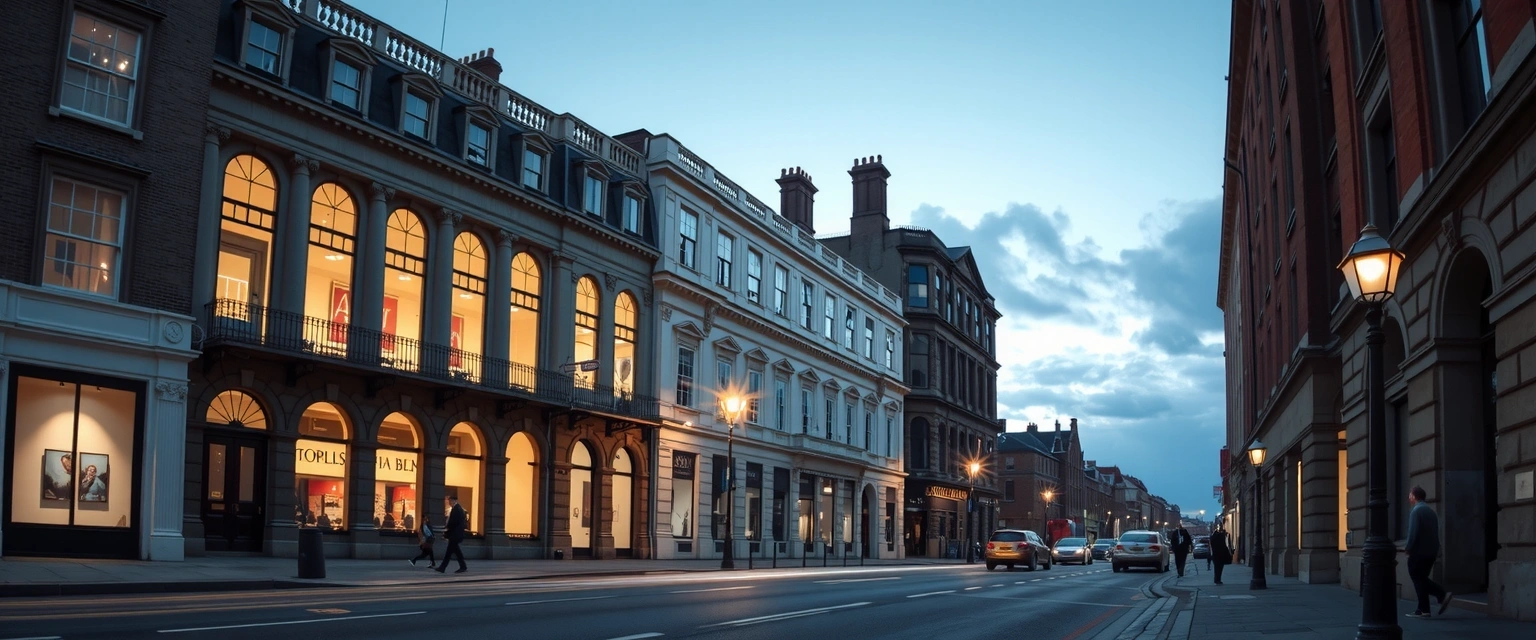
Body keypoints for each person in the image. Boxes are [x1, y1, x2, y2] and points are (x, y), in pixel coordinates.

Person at [1404, 486, 1452, 618]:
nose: (1409, 497)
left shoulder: (1416, 511)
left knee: (1417, 578)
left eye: (1410, 495)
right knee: (1422, 578)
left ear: (1414, 496)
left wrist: (1408, 548)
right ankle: (1424, 609)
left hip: (1419, 552)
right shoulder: (1431, 512)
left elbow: (1413, 533)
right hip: (1431, 552)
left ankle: (1440, 594)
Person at [435, 495, 468, 574]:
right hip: (455, 534)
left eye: (450, 501)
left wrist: (447, 531)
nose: (449, 502)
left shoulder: (457, 509)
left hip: (455, 534)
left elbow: (454, 523)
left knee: (449, 552)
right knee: (456, 551)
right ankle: (463, 566)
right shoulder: (457, 509)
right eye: (448, 501)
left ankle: (443, 567)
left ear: (454, 501)